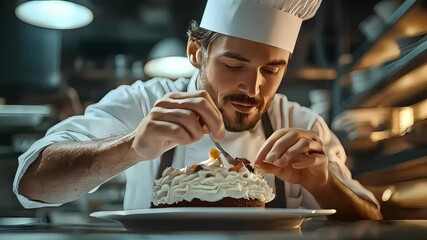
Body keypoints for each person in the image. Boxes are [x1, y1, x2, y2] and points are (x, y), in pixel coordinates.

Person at [14, 0, 382, 220]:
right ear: (196, 52)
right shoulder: (144, 101)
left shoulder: (301, 124)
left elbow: (372, 217)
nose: (253, 88)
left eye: (272, 70)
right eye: (234, 66)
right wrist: (132, 147)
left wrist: (323, 182)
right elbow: (32, 185)